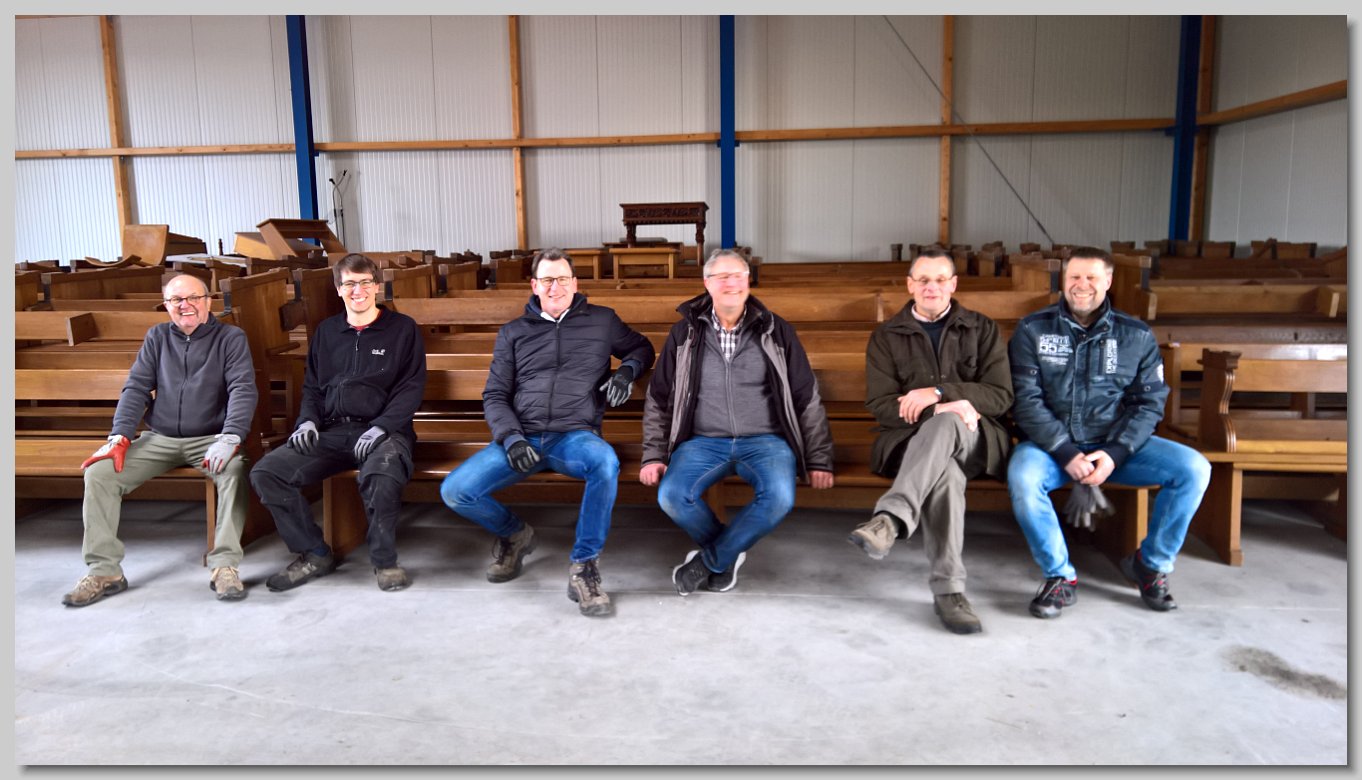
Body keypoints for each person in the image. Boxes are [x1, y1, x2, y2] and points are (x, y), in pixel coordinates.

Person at [439, 248, 654, 618]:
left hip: (574, 436)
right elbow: (495, 395)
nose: (556, 287)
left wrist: (626, 371)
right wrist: (511, 437)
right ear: (535, 285)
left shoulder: (602, 321)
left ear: (575, 283)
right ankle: (514, 534)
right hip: (522, 437)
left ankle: (584, 566)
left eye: (563, 279)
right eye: (548, 280)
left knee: (604, 463)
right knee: (456, 491)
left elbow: (641, 347)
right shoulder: (513, 333)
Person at [1007, 246, 1211, 618]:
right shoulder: (1033, 329)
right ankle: (1060, 576)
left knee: (1194, 468)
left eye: (1091, 277)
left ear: (1108, 281)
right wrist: (1066, 451)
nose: (1081, 285)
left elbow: (1148, 403)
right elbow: (1025, 400)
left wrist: (1116, 453)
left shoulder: (1136, 335)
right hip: (1051, 447)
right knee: (1023, 477)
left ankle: (1150, 565)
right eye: (1074, 277)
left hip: (1117, 447)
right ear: (1063, 280)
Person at [642, 248, 835, 596]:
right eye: (722, 276)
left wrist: (818, 458)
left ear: (748, 281)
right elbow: (659, 398)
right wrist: (653, 455)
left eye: (738, 275)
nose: (731, 283)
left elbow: (806, 397)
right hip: (702, 441)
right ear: (707, 283)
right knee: (672, 495)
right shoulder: (685, 333)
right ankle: (727, 554)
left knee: (778, 497)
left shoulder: (777, 331)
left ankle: (710, 561)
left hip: (766, 441)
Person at [62, 273, 258, 607]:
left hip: (210, 438)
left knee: (234, 470)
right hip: (160, 438)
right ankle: (104, 570)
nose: (186, 305)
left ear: (208, 301)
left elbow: (242, 388)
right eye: (176, 300)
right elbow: (137, 387)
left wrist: (231, 436)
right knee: (100, 473)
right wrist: (120, 436)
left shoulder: (230, 338)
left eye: (193, 298)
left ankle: (224, 565)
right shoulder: (157, 337)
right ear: (166, 305)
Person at [847, 249, 1013, 635]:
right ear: (910, 285)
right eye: (923, 280)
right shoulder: (887, 336)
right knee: (946, 475)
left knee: (950, 421)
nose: (931, 287)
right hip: (909, 445)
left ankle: (890, 519)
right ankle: (949, 591)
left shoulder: (982, 329)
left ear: (953, 285)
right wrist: (937, 410)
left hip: (976, 441)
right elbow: (881, 405)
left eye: (940, 280)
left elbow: (1001, 396)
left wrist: (940, 393)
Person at [250, 253, 427, 593]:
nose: (358, 290)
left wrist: (382, 426)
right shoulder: (327, 332)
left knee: (382, 475)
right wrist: (307, 421)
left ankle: (384, 561)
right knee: (267, 472)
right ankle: (314, 553)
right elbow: (313, 387)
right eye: (349, 284)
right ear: (338, 289)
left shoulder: (402, 329)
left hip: (385, 432)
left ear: (377, 286)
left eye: (365, 282)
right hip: (331, 430)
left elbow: (411, 387)